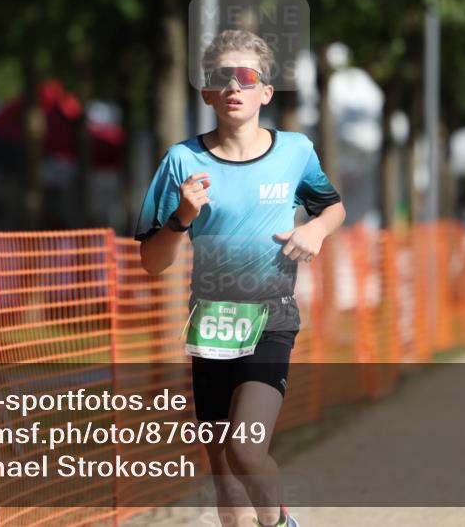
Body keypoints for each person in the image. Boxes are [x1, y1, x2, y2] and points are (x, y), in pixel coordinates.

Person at [135, 30, 345, 527]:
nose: (234, 86)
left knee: (245, 448)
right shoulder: (181, 162)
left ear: (265, 92)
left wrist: (315, 229)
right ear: (206, 92)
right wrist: (181, 216)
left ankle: (278, 523)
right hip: (211, 320)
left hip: (271, 315)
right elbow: (151, 261)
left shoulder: (295, 151)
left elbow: (333, 208)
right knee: (223, 467)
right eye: (220, 78)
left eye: (246, 77)